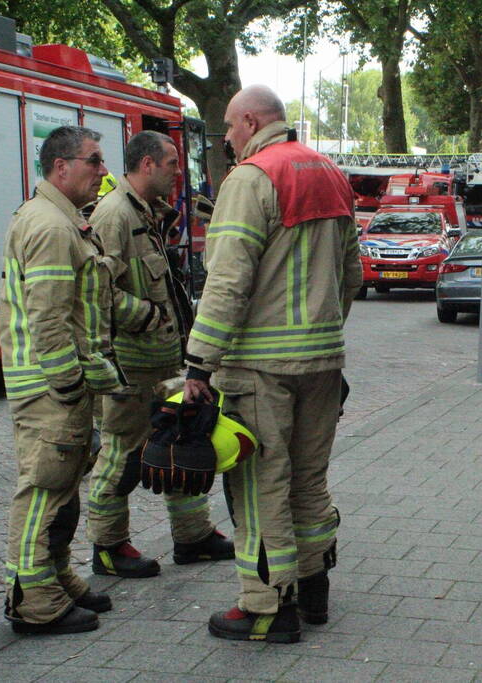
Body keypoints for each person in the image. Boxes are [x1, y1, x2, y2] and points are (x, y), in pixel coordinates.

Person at [180, 85, 362, 643]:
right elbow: (352, 273)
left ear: (251, 121)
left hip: (260, 366)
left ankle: (265, 607)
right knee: (310, 481)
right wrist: (323, 334)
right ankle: (313, 590)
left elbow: (228, 283)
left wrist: (198, 367)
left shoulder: (251, 179)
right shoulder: (331, 173)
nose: (227, 140)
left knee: (260, 485)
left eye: (229, 129)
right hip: (322, 362)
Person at [86, 131, 233, 579]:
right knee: (121, 454)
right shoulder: (113, 217)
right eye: (171, 162)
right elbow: (98, 294)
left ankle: (193, 536)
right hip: (131, 369)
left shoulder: (146, 214)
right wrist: (148, 316)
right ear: (147, 164)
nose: (177, 171)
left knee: (185, 439)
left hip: (163, 363)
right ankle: (108, 547)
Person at [0, 126, 125, 634]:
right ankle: (34, 602)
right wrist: (69, 386)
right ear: (61, 167)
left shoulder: (62, 220)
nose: (102, 171)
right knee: (44, 488)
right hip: (51, 389)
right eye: (94, 161)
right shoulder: (51, 226)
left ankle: (54, 576)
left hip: (59, 385)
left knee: (64, 486)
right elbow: (49, 319)